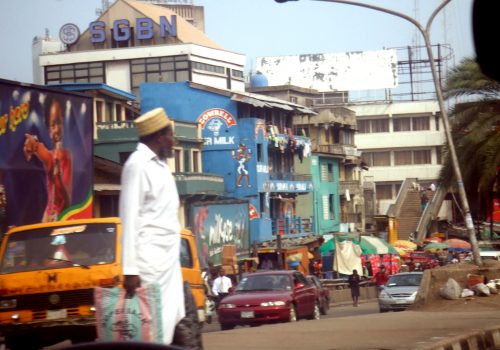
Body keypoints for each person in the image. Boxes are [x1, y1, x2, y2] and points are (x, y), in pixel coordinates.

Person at [119, 107, 185, 345]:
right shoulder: (137, 164)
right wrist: (130, 269)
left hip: (168, 259)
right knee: (151, 325)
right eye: (170, 134)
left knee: (169, 320)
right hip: (149, 261)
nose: (173, 140)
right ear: (159, 136)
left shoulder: (162, 166)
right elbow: (128, 217)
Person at [24, 98, 72, 222]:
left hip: (62, 222)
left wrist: (59, 178)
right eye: (53, 125)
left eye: (59, 121)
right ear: (49, 130)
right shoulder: (50, 157)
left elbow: (67, 202)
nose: (57, 128)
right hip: (48, 220)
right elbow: (40, 149)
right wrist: (32, 144)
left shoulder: (67, 157)